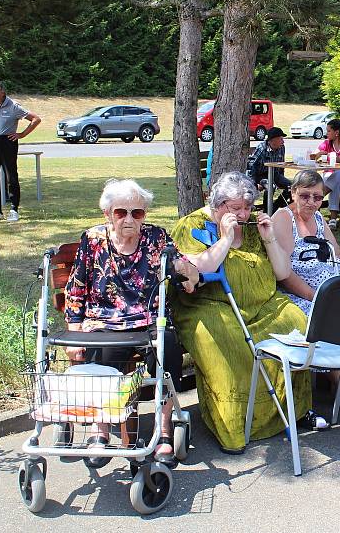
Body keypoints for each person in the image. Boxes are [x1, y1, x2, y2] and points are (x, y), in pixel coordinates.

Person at [171, 172, 322, 453]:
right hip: (210, 305)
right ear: (217, 205)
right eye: (235, 208)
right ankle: (237, 428)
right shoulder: (192, 225)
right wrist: (226, 238)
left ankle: (291, 413)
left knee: (296, 321)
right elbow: (198, 270)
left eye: (248, 207)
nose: (243, 214)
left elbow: (282, 272)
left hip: (263, 304)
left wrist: (269, 239)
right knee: (227, 342)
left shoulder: (254, 225)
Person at [63, 179, 199, 465]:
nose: (128, 219)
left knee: (169, 348)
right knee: (105, 351)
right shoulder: (93, 240)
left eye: (136, 213)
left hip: (149, 318)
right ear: (107, 214)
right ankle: (100, 431)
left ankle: (163, 432)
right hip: (103, 319)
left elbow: (186, 272)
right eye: (120, 212)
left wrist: (187, 272)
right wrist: (74, 333)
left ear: (144, 215)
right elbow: (76, 289)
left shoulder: (156, 238)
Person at [272, 170, 340, 413]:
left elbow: (337, 254)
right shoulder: (283, 218)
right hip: (299, 294)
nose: (311, 203)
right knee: (327, 316)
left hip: (329, 289)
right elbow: (285, 272)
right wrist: (314, 295)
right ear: (293, 193)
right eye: (305, 196)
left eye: (317, 198)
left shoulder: (318, 219)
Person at [0, 80, 41, 223]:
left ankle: (14, 209)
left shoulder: (13, 106)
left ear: (2, 92)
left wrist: (21, 134)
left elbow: (36, 119)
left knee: (11, 177)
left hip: (7, 143)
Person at [312, 118, 340, 229]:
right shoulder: (326, 143)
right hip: (331, 176)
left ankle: (319, 195)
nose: (326, 133)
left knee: (339, 172)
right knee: (336, 182)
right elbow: (314, 155)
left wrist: (328, 156)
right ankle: (333, 219)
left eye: (328, 131)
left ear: (336, 132)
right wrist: (317, 154)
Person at [247, 126, 291, 207]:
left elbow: (281, 165)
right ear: (273, 140)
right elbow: (251, 165)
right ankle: (267, 211)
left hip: (275, 175)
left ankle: (275, 207)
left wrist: (282, 179)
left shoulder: (281, 148)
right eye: (281, 139)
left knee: (292, 186)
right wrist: (254, 183)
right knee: (271, 187)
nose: (283, 141)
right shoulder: (262, 148)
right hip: (261, 176)